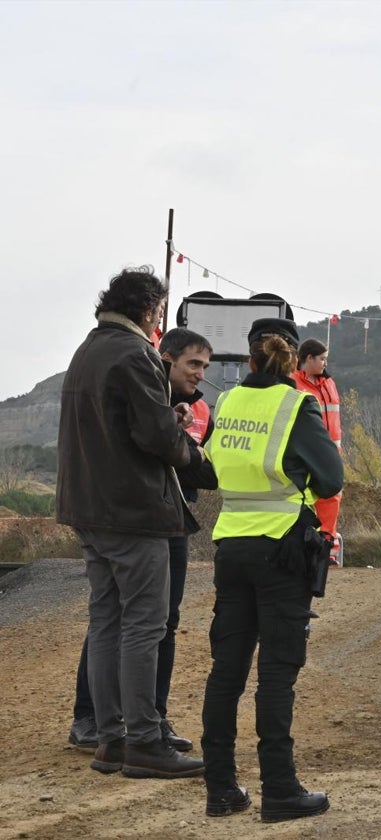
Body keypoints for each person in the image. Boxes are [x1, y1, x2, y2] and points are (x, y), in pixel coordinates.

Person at [56, 267, 206, 779]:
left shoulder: (86, 351)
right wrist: (179, 432)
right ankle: (144, 741)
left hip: (90, 509)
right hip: (135, 512)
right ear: (146, 310)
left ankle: (109, 738)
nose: (159, 323)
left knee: (106, 624)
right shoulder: (134, 353)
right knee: (145, 626)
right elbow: (157, 441)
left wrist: (166, 422)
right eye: (160, 313)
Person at [201, 318, 343, 822]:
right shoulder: (296, 404)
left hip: (231, 548)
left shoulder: (228, 402)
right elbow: (331, 479)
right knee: (276, 677)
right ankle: (279, 790)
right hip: (282, 552)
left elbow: (208, 467)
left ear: (250, 359)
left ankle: (221, 789)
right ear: (289, 357)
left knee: (226, 674)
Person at [291, 338, 344, 565]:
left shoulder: (328, 383)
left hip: (330, 453)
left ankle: (327, 549)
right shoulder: (293, 383)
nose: (325, 363)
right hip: (306, 453)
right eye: (321, 358)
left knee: (331, 499)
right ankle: (306, 548)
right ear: (308, 358)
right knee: (305, 499)